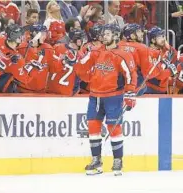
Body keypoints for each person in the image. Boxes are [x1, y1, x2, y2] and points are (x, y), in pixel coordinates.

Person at [80, 24, 137, 176]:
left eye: (107, 34)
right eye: (103, 34)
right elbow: (81, 67)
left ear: (116, 36)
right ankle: (96, 160)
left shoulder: (123, 54)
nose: (103, 36)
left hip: (114, 96)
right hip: (95, 95)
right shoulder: (96, 52)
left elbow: (131, 75)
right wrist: (79, 58)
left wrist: (130, 93)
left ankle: (118, 160)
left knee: (114, 127)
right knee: (93, 126)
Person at [0, 24, 42, 93]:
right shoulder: (16, 59)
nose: (23, 37)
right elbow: (25, 79)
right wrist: (34, 68)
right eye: (21, 35)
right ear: (16, 38)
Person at [17, 24, 59, 93]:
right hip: (23, 90)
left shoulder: (48, 48)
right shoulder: (22, 48)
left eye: (45, 34)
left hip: (41, 91)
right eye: (42, 34)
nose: (44, 36)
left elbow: (53, 69)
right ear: (34, 34)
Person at [46, 29, 87, 96]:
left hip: (52, 90)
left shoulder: (57, 47)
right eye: (82, 39)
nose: (83, 42)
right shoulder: (81, 56)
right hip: (66, 92)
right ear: (78, 41)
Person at [146, 26, 178, 94]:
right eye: (160, 37)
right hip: (151, 89)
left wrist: (168, 46)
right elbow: (158, 75)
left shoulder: (163, 50)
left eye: (163, 36)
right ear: (153, 40)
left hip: (162, 90)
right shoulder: (149, 53)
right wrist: (170, 71)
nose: (163, 39)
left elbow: (175, 56)